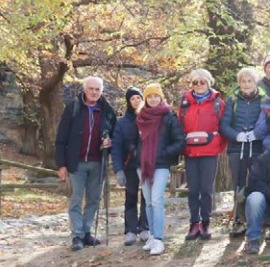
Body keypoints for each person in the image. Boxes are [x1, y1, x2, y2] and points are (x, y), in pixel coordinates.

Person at [55, 76, 117, 251]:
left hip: (98, 162)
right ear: (84, 89)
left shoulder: (107, 110)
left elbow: (115, 135)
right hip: (76, 163)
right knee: (75, 199)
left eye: (98, 89)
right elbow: (60, 139)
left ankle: (86, 232)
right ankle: (77, 235)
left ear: (101, 91)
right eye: (91, 89)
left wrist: (109, 142)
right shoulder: (72, 108)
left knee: (94, 199)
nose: (94, 92)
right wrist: (61, 164)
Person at [179, 69, 227, 241]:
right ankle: (194, 223)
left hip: (210, 151)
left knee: (206, 189)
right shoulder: (185, 102)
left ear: (209, 83)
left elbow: (223, 127)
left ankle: (205, 222)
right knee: (193, 189)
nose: (199, 85)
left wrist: (216, 146)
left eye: (202, 82)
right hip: (191, 151)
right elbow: (180, 127)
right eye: (195, 82)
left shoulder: (217, 103)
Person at [137, 83, 185, 255]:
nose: (153, 99)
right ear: (146, 99)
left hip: (161, 164)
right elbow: (135, 140)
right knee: (148, 201)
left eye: (156, 96)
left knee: (157, 199)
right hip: (143, 165)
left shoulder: (169, 116)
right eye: (149, 96)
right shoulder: (141, 116)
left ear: (161, 97)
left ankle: (159, 239)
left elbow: (180, 141)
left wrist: (164, 153)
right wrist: (138, 153)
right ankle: (151, 235)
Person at [220, 67, 266, 235]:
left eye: (250, 81)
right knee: (238, 184)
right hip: (236, 148)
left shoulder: (263, 99)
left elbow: (266, 121)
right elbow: (224, 124)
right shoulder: (232, 100)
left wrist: (256, 133)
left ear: (255, 82)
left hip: (257, 148)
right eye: (243, 81)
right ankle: (239, 221)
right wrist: (236, 135)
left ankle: (256, 220)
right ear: (239, 83)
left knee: (256, 183)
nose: (246, 84)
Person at [111, 87, 149, 245]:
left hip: (147, 164)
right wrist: (118, 169)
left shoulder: (149, 118)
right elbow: (117, 147)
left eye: (138, 98)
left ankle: (145, 227)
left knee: (147, 197)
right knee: (131, 197)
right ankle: (131, 230)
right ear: (128, 101)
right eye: (132, 98)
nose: (136, 101)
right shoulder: (122, 123)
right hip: (130, 165)